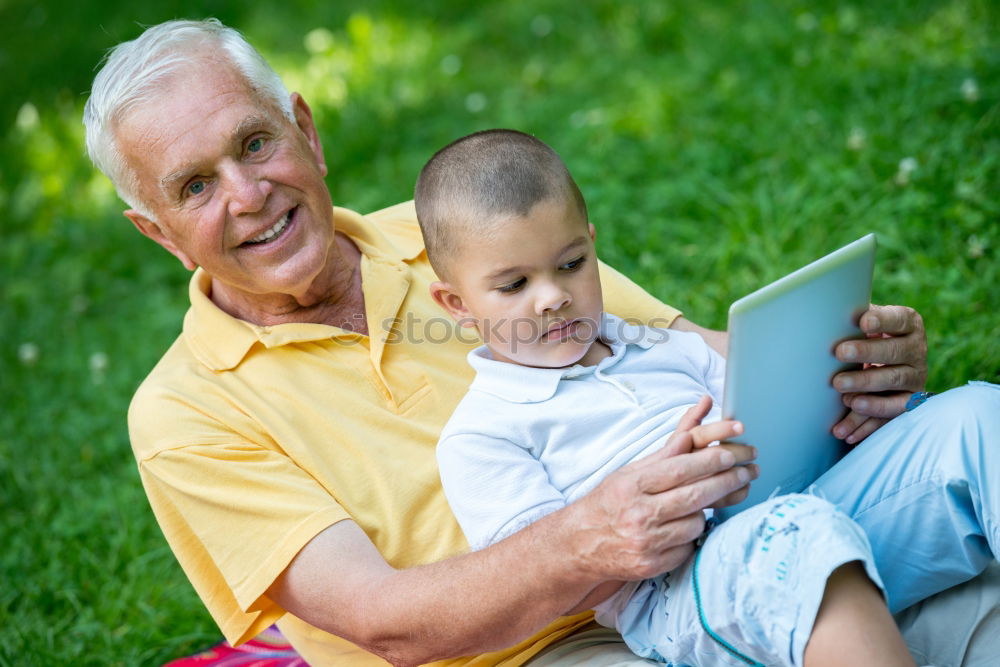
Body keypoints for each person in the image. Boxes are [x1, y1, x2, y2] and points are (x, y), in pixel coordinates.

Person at [82, 18, 999, 666]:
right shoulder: (184, 412)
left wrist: (844, 367)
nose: (246, 194)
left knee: (978, 505)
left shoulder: (470, 226)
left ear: (306, 132)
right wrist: (593, 539)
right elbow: (386, 624)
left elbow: (698, 352)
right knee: (828, 581)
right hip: (532, 654)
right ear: (156, 229)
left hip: (743, 527)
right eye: (195, 186)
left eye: (254, 142)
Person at [415, 129, 916, 666]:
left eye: (571, 264)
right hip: (673, 591)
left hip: (790, 498)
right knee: (801, 536)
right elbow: (548, 587)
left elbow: (770, 412)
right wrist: (666, 501)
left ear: (591, 246)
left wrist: (841, 385)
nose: (553, 297)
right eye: (514, 285)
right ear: (457, 304)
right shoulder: (483, 436)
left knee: (973, 415)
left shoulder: (659, 346)